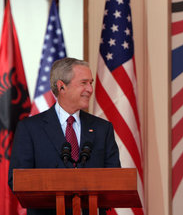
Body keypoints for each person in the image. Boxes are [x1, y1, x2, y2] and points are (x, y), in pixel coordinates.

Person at [8, 57, 120, 215]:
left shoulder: (102, 129)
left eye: (91, 83)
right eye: (83, 83)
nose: (90, 89)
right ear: (61, 87)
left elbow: (115, 179)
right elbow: (16, 180)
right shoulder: (30, 128)